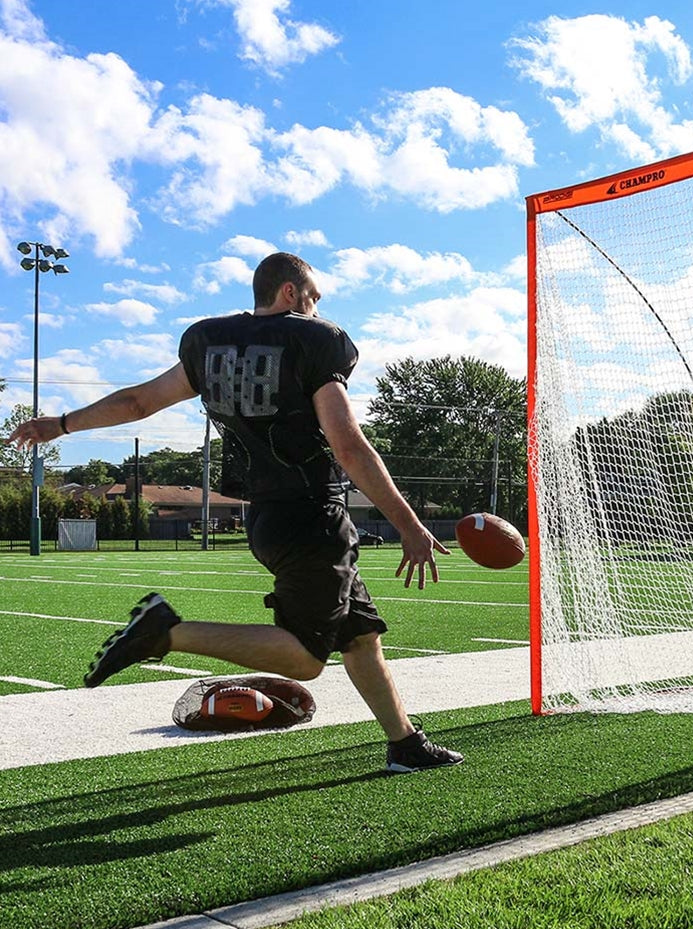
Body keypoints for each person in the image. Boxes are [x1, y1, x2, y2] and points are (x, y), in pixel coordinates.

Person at [6, 252, 463, 774]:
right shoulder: (315, 341)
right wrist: (409, 524)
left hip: (266, 518)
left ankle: (404, 742)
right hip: (313, 517)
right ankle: (166, 632)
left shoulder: (210, 342)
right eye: (313, 295)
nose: (316, 307)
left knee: (359, 637)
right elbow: (350, 447)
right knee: (306, 660)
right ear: (290, 293)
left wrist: (61, 424)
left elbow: (138, 404)